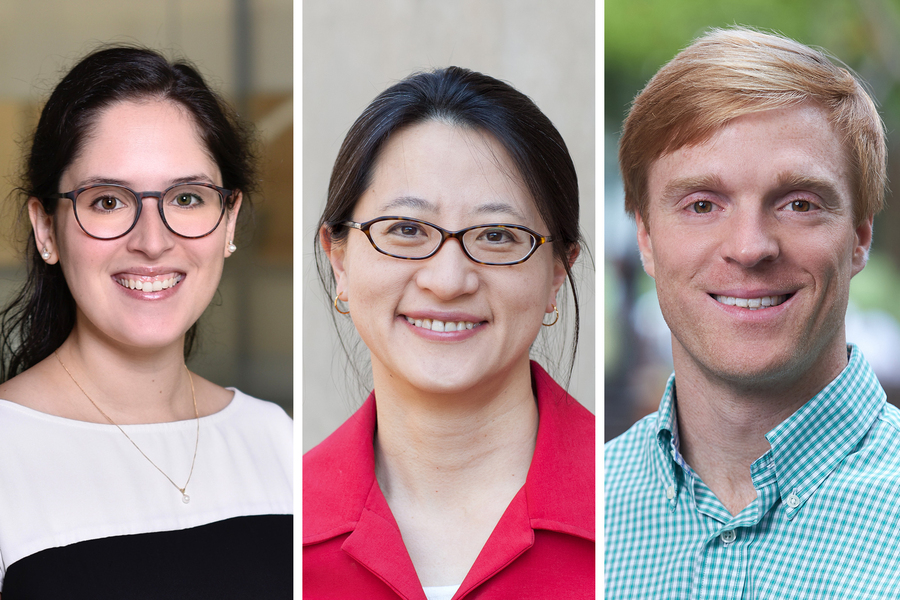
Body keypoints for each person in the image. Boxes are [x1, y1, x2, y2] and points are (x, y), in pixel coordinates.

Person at [605, 26, 900, 598]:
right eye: (702, 205)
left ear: (860, 236)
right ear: (645, 237)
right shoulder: (590, 511)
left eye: (798, 204)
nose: (749, 247)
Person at [0, 47, 292, 598]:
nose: (153, 241)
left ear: (229, 221)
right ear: (45, 229)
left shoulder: (274, 439)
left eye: (187, 198)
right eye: (108, 201)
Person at [303, 67, 594, 599]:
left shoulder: (631, 513)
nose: (448, 280)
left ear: (557, 272)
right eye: (406, 230)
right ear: (339, 260)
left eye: (498, 235)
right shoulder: (282, 525)